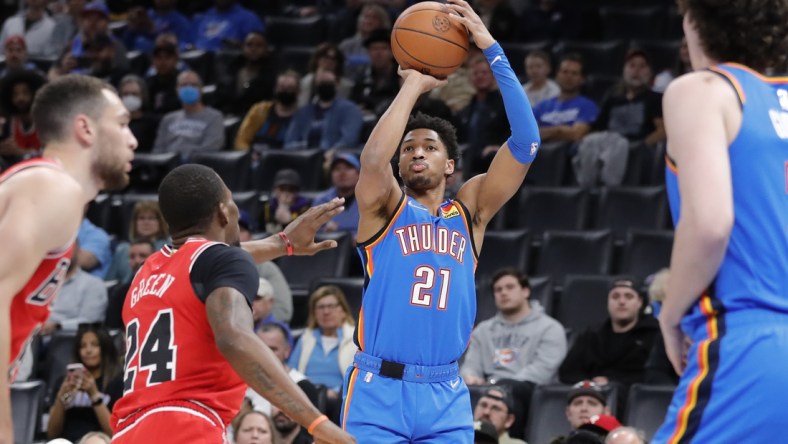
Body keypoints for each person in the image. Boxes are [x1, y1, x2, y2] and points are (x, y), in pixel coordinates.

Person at [341, 0, 541, 440]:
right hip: (378, 389)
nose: (415, 152)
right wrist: (412, 86)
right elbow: (373, 161)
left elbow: (527, 142)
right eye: (408, 148)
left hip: (446, 390)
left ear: (450, 166)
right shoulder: (384, 208)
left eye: (429, 147)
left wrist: (490, 47)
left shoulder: (470, 210)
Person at [108, 164, 353, 443]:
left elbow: (214, 259)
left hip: (129, 430)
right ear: (224, 211)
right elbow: (235, 338)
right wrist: (317, 422)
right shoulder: (221, 260)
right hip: (187, 425)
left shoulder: (146, 272)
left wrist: (282, 242)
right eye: (233, 201)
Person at [653, 0, 788, 442]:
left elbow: (711, 224)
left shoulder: (704, 90)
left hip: (753, 340)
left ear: (699, 22)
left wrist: (670, 315)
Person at [0, 74, 137, 444]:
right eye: (123, 124)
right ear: (85, 128)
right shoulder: (53, 186)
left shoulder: (55, 193)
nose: (133, 139)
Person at [462, 268, 567, 437]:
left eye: (510, 287)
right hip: (489, 387)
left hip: (527, 389)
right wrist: (471, 377)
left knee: (510, 391)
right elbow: (470, 366)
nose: (503, 293)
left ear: (525, 291)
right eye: (498, 290)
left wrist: (499, 385)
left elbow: (542, 371)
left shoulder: (550, 328)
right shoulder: (483, 330)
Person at [559, 278, 659, 389]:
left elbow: (655, 376)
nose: (621, 302)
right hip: (592, 396)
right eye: (615, 297)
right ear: (608, 302)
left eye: (628, 297)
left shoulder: (654, 334)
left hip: (633, 398)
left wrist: (612, 382)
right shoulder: (592, 334)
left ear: (639, 302)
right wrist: (591, 384)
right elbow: (567, 372)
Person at [47, 324, 123, 441]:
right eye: (83, 346)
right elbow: (52, 434)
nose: (88, 350)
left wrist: (94, 395)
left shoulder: (117, 383)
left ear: (105, 348)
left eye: (95, 345)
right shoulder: (64, 382)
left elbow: (115, 433)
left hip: (100, 438)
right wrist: (61, 398)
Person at [288, 285, 356, 410]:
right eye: (320, 307)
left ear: (343, 310)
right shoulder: (306, 338)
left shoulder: (355, 339)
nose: (326, 312)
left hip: (341, 399)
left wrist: (332, 392)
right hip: (306, 397)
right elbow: (292, 371)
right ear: (314, 313)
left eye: (331, 306)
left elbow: (357, 376)